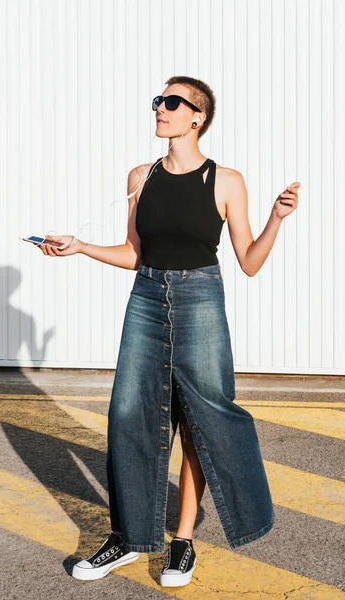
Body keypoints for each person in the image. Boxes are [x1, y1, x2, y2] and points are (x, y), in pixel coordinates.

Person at [39, 76, 300, 588]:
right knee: (128, 414)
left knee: (204, 416)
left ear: (197, 116)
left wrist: (275, 219)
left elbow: (249, 262)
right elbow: (134, 252)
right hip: (146, 298)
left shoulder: (226, 181)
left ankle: (183, 541)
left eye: (171, 102)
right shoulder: (141, 175)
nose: (160, 108)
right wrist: (80, 246)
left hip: (201, 298)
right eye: (158, 100)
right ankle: (128, 537)